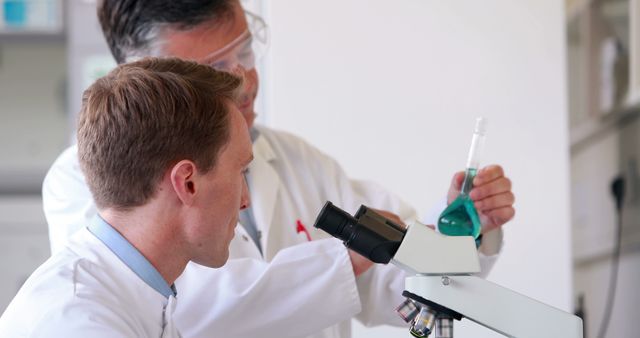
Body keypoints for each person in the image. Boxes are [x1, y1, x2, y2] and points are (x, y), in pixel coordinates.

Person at [42, 1, 516, 337]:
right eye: (214, 69)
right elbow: (188, 309)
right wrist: (346, 258)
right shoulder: (88, 181)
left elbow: (403, 291)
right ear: (148, 76)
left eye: (245, 53)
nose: (244, 81)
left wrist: (463, 230)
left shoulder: (298, 162)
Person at [0, 57, 252, 337]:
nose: (245, 201)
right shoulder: (79, 321)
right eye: (241, 170)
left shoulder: (139, 293)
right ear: (187, 183)